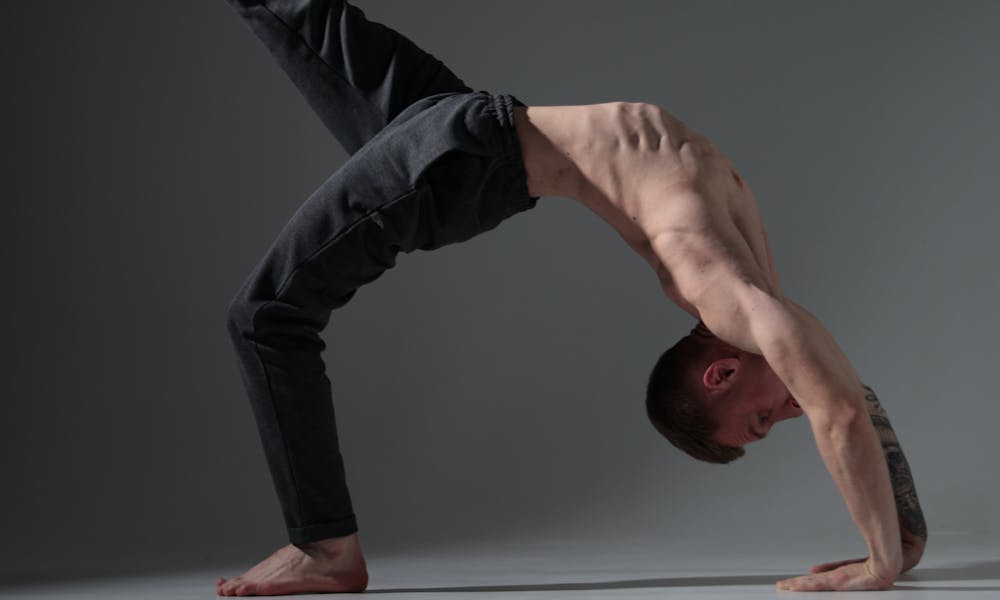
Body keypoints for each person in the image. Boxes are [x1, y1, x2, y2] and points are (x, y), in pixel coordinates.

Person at [217, 1, 926, 596]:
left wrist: (884, 556)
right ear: (722, 375)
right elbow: (845, 406)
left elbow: (838, 406)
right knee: (296, 8)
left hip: (462, 157)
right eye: (763, 422)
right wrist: (897, 551)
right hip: (464, 126)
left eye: (766, 421)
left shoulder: (729, 292)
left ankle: (328, 549)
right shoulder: (745, 298)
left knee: (266, 316)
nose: (786, 412)